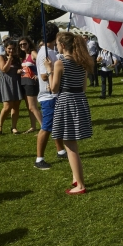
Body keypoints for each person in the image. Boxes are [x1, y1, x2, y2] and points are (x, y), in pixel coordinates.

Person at [44, 32, 93, 195]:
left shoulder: (60, 63)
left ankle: (80, 185)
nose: (56, 46)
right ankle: (75, 176)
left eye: (57, 43)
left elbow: (54, 88)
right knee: (72, 143)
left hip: (66, 102)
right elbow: (84, 87)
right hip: (79, 100)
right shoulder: (82, 62)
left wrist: (49, 71)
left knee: (69, 145)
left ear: (63, 45)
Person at [34, 23, 67, 170]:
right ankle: (39, 159)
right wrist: (54, 72)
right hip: (48, 95)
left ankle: (60, 150)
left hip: (53, 93)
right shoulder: (45, 53)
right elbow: (43, 75)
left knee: (56, 124)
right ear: (55, 35)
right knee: (46, 127)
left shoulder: (51, 51)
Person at [0, 40, 24, 135]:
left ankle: (14, 127)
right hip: (6, 83)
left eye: (13, 49)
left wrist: (19, 71)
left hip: (16, 82)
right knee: (7, 106)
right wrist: (9, 59)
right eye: (9, 49)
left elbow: (18, 69)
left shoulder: (17, 58)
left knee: (16, 106)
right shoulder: (1, 57)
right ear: (5, 49)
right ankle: (0, 125)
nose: (11, 51)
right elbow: (4, 69)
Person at [19, 37, 43, 133]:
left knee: (33, 107)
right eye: (20, 45)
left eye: (24, 44)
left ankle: (43, 128)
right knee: (30, 107)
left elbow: (42, 61)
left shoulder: (33, 53)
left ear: (29, 43)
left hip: (31, 83)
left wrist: (38, 75)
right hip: (24, 82)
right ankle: (33, 126)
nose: (22, 46)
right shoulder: (24, 55)